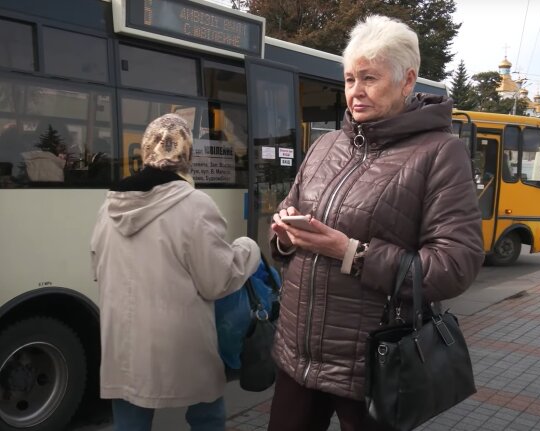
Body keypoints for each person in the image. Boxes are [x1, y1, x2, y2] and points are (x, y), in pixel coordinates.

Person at [268, 15, 485, 431]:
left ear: (407, 81)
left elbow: (455, 265)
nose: (356, 91)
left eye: (369, 78)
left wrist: (350, 253)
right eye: (350, 79)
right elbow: (287, 211)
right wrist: (285, 235)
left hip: (373, 364)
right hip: (298, 356)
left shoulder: (441, 152)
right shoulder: (326, 145)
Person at [90, 113, 260, 431]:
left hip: (123, 342)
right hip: (182, 343)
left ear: (145, 149)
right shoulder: (195, 204)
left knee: (130, 420)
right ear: (187, 153)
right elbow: (217, 281)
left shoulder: (110, 205)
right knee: (207, 416)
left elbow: (97, 266)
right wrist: (248, 248)